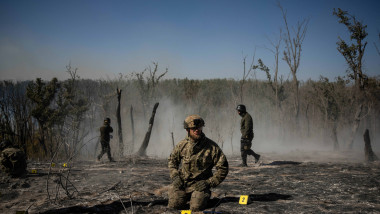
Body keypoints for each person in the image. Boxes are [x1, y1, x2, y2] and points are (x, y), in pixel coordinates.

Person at [168, 115, 229, 211]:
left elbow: (223, 168)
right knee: (174, 205)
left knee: (196, 207)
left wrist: (208, 183)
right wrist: (175, 176)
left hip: (200, 186)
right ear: (187, 130)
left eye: (199, 127)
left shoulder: (212, 147)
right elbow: (172, 161)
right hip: (183, 184)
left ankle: (205, 198)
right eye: (194, 128)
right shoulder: (181, 145)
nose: (197, 130)